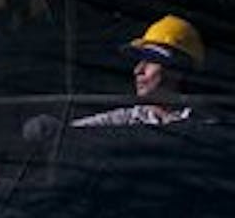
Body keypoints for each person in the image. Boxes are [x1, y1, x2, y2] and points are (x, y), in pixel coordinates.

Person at [24, 14, 206, 140]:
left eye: (150, 61)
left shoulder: (211, 125)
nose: (138, 70)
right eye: (139, 61)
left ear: (178, 69)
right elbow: (72, 131)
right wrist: (52, 129)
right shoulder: (126, 121)